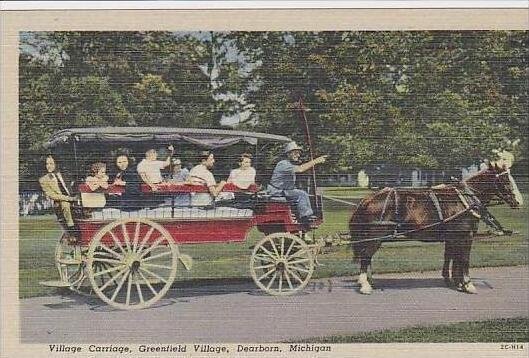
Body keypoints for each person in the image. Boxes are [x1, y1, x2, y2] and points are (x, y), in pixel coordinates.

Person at [267, 142, 327, 225]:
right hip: (277, 191)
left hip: (284, 190)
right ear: (288, 154)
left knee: (302, 193)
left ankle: (302, 216)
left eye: (298, 153)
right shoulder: (283, 164)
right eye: (295, 153)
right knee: (302, 194)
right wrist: (316, 161)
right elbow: (300, 169)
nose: (298, 155)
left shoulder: (289, 164)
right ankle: (306, 217)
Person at [38, 155, 78, 242]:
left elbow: (73, 186)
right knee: (65, 203)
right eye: (47, 164)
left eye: (51, 163)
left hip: (75, 198)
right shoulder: (43, 180)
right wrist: (69, 199)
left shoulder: (64, 174)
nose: (48, 166)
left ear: (56, 164)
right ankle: (72, 230)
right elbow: (52, 195)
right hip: (61, 203)